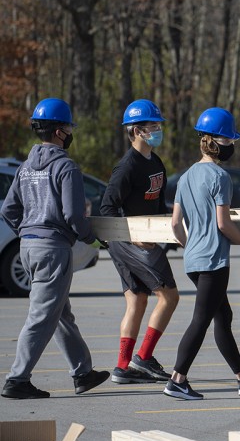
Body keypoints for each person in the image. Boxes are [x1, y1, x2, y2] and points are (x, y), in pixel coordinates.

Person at [1, 98, 110, 399]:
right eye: (69, 127)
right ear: (60, 132)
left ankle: (83, 373)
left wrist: (27, 232)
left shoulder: (24, 168)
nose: (71, 132)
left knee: (59, 312)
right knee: (41, 315)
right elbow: (74, 215)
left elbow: (9, 210)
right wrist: (91, 238)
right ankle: (16, 379)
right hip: (52, 249)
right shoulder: (65, 167)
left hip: (28, 248)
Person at [166, 108, 240, 400]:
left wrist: (189, 246)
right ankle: (177, 379)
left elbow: (176, 224)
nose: (232, 145)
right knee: (201, 320)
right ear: (218, 142)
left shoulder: (186, 177)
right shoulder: (220, 177)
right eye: (230, 140)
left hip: (193, 259)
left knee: (222, 316)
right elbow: (223, 224)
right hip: (214, 260)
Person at [100, 99, 179, 385]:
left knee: (136, 300)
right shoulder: (126, 167)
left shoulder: (155, 161)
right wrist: (134, 237)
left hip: (145, 239)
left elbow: (158, 207)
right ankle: (143, 358)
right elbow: (107, 209)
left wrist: (172, 230)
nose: (157, 130)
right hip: (132, 243)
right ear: (135, 131)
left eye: (158, 125)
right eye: (152, 126)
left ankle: (123, 367)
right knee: (170, 297)